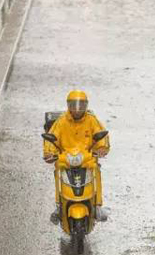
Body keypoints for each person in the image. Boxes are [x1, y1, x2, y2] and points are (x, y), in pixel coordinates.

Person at [43, 90, 110, 223]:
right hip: (65, 158)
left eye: (81, 105)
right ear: (68, 105)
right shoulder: (61, 121)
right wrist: (49, 152)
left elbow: (101, 134)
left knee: (96, 169)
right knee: (58, 171)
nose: (77, 109)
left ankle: (97, 205)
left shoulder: (91, 120)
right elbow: (52, 137)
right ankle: (58, 205)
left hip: (87, 157)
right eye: (74, 105)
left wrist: (102, 148)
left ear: (86, 106)